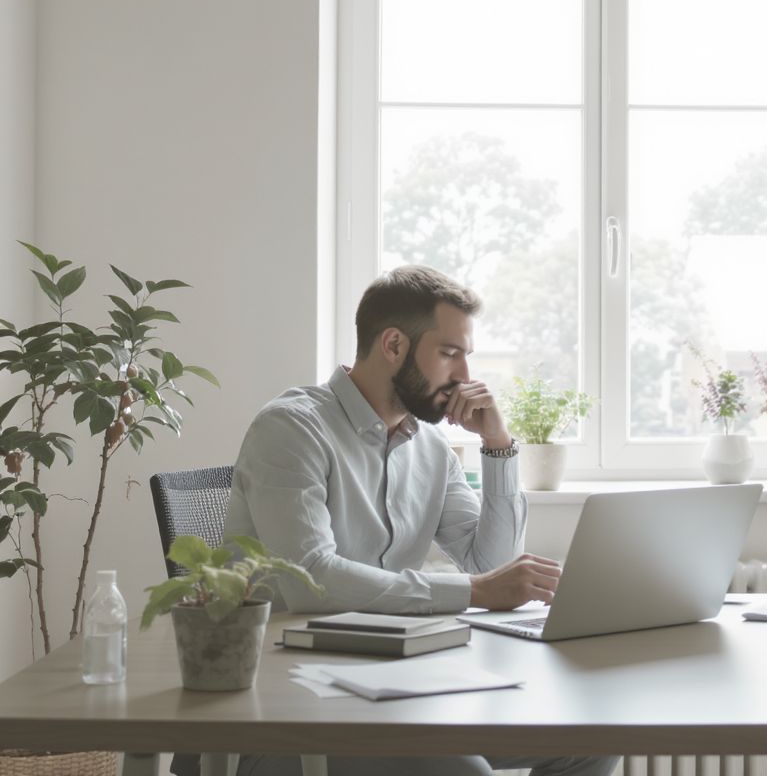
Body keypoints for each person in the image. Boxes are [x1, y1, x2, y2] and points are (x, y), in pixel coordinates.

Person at [175, 265, 617, 776]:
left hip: (391, 688)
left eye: (466, 355)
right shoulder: (291, 428)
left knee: (592, 739)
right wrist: (473, 591)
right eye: (450, 353)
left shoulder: (431, 448)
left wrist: (498, 446)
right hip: (282, 713)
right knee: (462, 771)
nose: (466, 376)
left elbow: (491, 567)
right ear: (393, 345)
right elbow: (310, 578)